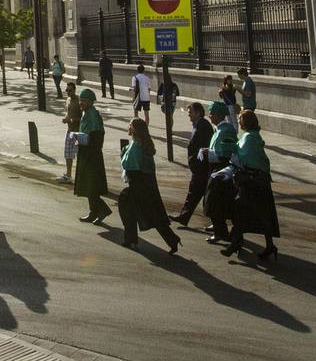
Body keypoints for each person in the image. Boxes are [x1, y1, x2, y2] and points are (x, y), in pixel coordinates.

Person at [220, 110, 280, 261]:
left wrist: (232, 150)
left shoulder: (249, 137)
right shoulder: (252, 136)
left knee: (241, 211)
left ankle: (235, 244)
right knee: (263, 213)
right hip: (259, 180)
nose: (239, 122)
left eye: (240, 119)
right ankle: (269, 245)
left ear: (246, 122)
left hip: (252, 181)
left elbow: (245, 155)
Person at [118, 118, 181, 253]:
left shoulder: (135, 146)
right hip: (147, 183)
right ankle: (171, 239)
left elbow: (130, 166)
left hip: (138, 184)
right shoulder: (143, 143)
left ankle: (131, 239)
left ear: (134, 129)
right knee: (153, 214)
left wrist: (123, 154)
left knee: (130, 210)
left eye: (129, 126)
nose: (128, 128)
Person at [199, 102, 239, 243]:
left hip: (221, 170)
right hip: (218, 169)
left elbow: (224, 154)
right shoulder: (220, 129)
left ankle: (221, 231)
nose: (209, 115)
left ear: (218, 115)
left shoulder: (225, 131)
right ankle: (220, 227)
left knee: (214, 201)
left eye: (211, 113)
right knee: (218, 201)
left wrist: (207, 152)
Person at [170, 102, 214, 227]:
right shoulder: (199, 125)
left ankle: (217, 224)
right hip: (200, 167)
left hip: (202, 168)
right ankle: (184, 216)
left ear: (198, 113)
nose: (188, 115)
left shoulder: (203, 126)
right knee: (194, 193)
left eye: (191, 112)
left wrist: (196, 163)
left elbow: (202, 146)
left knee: (201, 194)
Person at [74, 89, 112, 224]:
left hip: (92, 155)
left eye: (84, 101)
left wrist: (84, 141)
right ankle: (93, 211)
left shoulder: (93, 116)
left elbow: (96, 137)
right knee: (87, 184)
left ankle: (102, 209)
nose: (81, 103)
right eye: (80, 100)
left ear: (90, 101)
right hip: (85, 153)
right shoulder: (86, 114)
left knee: (91, 185)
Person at [58, 80, 81, 184]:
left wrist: (72, 120)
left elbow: (82, 117)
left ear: (74, 90)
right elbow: (68, 113)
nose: (68, 92)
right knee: (68, 154)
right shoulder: (67, 100)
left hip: (78, 132)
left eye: (70, 90)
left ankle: (81, 176)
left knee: (80, 155)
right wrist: (65, 118)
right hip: (69, 131)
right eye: (67, 90)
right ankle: (68, 174)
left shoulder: (79, 101)